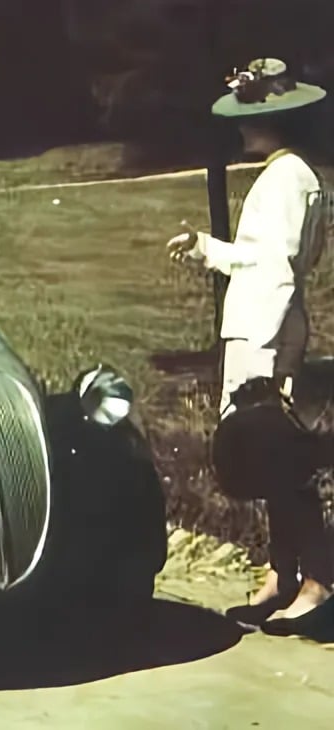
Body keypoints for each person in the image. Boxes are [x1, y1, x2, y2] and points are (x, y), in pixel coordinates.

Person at [166, 58, 333, 626]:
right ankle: (280, 572)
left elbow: (283, 266)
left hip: (265, 332)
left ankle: (316, 580)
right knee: (268, 459)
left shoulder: (288, 180)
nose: (240, 128)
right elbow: (263, 256)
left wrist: (265, 353)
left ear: (272, 119)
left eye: (248, 117)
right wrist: (206, 248)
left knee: (277, 456)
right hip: (259, 327)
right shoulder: (289, 175)